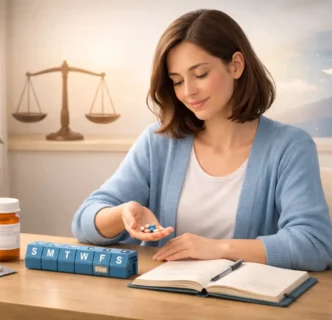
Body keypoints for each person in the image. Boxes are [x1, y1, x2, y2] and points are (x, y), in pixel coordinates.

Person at [72, 9, 332, 271]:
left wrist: (218, 248)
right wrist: (124, 213)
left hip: (245, 306)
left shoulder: (290, 146)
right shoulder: (159, 141)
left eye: (201, 74)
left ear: (236, 66)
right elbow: (83, 223)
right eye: (177, 81)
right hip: (161, 303)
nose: (188, 92)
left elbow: (314, 244)